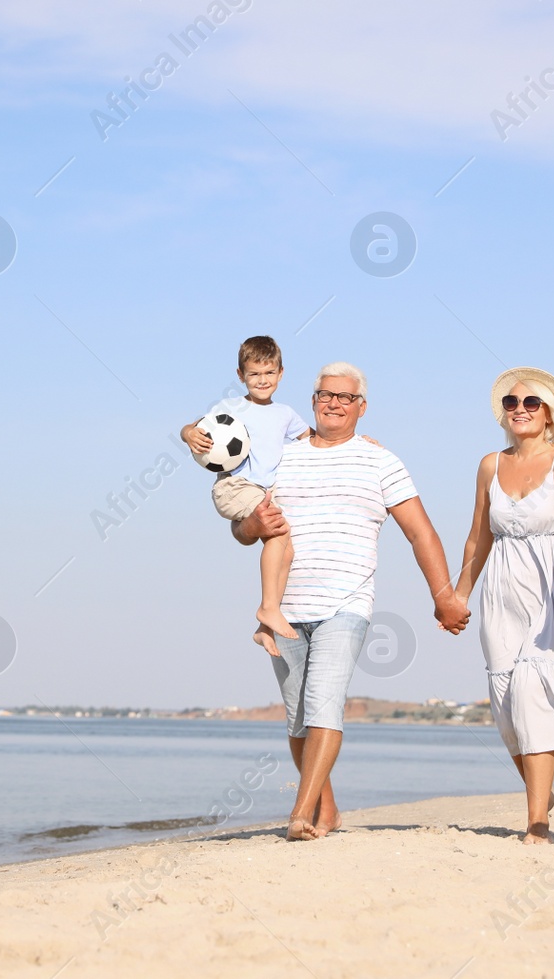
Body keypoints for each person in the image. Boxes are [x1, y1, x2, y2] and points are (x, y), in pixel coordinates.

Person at [235, 362, 470, 840]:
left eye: (345, 397)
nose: (334, 403)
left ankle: (299, 815)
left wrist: (443, 596)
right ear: (313, 401)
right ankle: (329, 811)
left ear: (362, 406)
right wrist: (252, 527)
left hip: (346, 604)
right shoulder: (280, 457)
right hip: (285, 609)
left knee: (324, 703)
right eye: (326, 395)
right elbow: (243, 527)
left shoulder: (380, 461)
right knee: (298, 718)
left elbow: (420, 532)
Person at [452, 367, 554, 844]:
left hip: (553, 582)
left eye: (530, 403)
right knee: (504, 699)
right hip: (501, 585)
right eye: (511, 403)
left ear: (549, 413)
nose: (519, 409)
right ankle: (541, 793)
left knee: (535, 695)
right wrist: (459, 593)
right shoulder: (489, 464)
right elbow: (478, 535)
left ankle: (536, 820)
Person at [180, 336, 308, 655]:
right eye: (254, 374)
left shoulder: (286, 414)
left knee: (287, 550)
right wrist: (187, 434)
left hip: (263, 491)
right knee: (279, 534)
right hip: (234, 487)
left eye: (268, 373)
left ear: (280, 373)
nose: (262, 380)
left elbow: (313, 439)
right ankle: (267, 608)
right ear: (241, 376)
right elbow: (193, 426)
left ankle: (265, 628)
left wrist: (358, 440)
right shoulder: (231, 408)